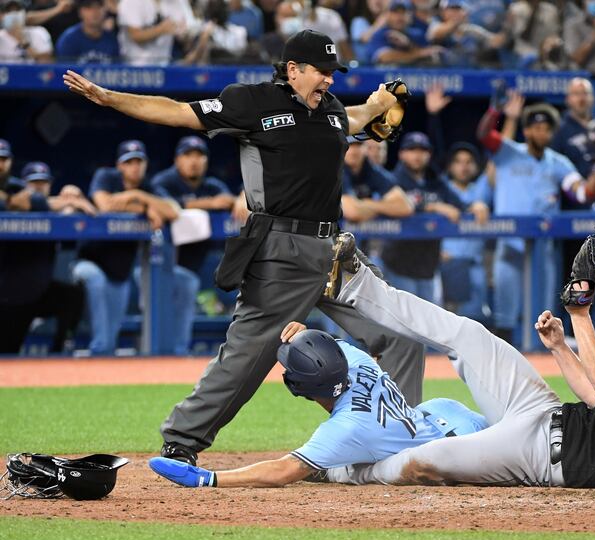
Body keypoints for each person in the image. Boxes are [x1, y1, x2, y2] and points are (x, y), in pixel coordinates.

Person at [63, 29, 425, 466]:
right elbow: (178, 112)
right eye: (322, 72)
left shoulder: (328, 109)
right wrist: (109, 97)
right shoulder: (251, 101)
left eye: (333, 72)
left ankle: (399, 438)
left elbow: (357, 115)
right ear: (293, 70)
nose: (329, 80)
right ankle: (182, 439)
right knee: (248, 357)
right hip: (282, 251)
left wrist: (382, 100)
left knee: (402, 333)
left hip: (332, 248)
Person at [317, 238, 595, 489]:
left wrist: (581, 314)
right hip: (543, 410)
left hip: (534, 456)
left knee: (429, 458)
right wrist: (559, 347)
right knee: (470, 335)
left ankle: (335, 471)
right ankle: (357, 284)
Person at [148, 323, 487, 488]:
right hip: (445, 413)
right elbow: (326, 347)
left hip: (450, 451)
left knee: (352, 472)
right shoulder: (355, 361)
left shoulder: (345, 428)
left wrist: (208, 479)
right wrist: (304, 334)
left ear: (299, 387)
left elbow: (282, 472)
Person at [476, 93, 595, 344]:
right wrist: (495, 111)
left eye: (546, 129)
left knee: (542, 313)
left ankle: (544, 367)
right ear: (527, 130)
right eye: (536, 128)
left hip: (542, 248)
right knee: (505, 315)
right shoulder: (508, 152)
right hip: (510, 245)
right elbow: (484, 136)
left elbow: (582, 193)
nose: (541, 133)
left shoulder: (558, 163)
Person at [73, 140, 179, 355]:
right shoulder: (106, 176)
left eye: (138, 161)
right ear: (119, 165)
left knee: (111, 340)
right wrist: (145, 208)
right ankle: (96, 351)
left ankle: (101, 372)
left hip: (120, 271)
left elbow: (173, 211)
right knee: (96, 281)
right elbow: (105, 205)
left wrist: (138, 196)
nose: (135, 166)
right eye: (129, 162)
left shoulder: (147, 187)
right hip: (89, 261)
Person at [150, 135, 235, 355]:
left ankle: (176, 353)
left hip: (194, 265)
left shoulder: (212, 184)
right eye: (188, 155)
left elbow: (230, 200)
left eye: (199, 156)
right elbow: (165, 205)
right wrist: (209, 204)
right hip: (157, 264)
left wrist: (241, 198)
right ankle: (169, 354)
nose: (194, 161)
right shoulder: (164, 181)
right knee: (185, 284)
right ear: (177, 160)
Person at [380, 131, 485, 303]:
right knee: (404, 324)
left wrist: (476, 205)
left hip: (428, 265)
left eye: (422, 150)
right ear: (402, 154)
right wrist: (433, 206)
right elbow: (391, 207)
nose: (417, 155)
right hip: (399, 264)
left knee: (429, 325)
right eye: (412, 149)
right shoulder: (392, 179)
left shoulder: (436, 181)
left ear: (429, 154)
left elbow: (460, 205)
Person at [0, 162, 93, 354]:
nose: (39, 187)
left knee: (73, 296)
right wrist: (67, 202)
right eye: (34, 183)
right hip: (11, 297)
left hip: (39, 292)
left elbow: (84, 217)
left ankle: (60, 350)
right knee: (8, 352)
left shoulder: (56, 212)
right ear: (24, 187)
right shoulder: (14, 208)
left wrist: (76, 199)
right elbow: (32, 202)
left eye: (43, 182)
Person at [440, 142, 492, 322]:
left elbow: (496, 161)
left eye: (469, 161)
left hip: (474, 265)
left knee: (475, 322)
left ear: (476, 166)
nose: (464, 166)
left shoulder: (480, 189)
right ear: (450, 166)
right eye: (458, 161)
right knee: (441, 325)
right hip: (444, 264)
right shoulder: (440, 188)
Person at [341, 138, 414, 223]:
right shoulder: (335, 170)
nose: (353, 151)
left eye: (358, 146)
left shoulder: (371, 169)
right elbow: (352, 213)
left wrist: (368, 204)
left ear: (366, 149)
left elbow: (406, 207)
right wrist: (382, 209)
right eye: (348, 146)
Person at [0, 139, 23, 208]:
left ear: (11, 161)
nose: (0, 165)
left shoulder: (19, 186)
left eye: (4, 159)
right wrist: (9, 200)